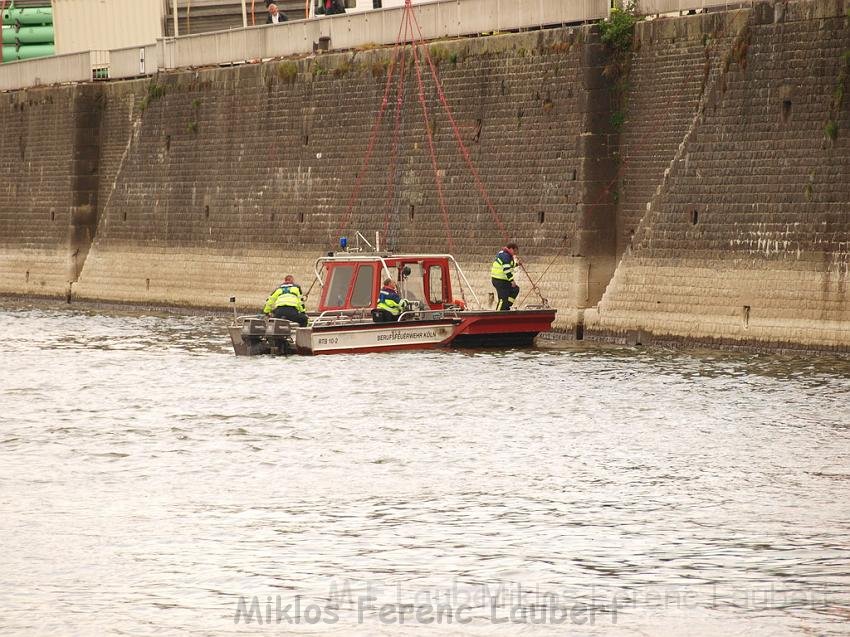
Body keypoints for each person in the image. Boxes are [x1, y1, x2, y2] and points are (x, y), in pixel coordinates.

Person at [490, 242, 520, 311]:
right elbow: (506, 269)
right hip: (499, 280)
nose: (515, 253)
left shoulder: (507, 255)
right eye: (515, 251)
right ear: (511, 249)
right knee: (502, 299)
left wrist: (517, 264)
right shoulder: (505, 255)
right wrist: (512, 281)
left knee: (515, 289)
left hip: (504, 280)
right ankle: (497, 315)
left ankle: (506, 306)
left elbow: (510, 265)